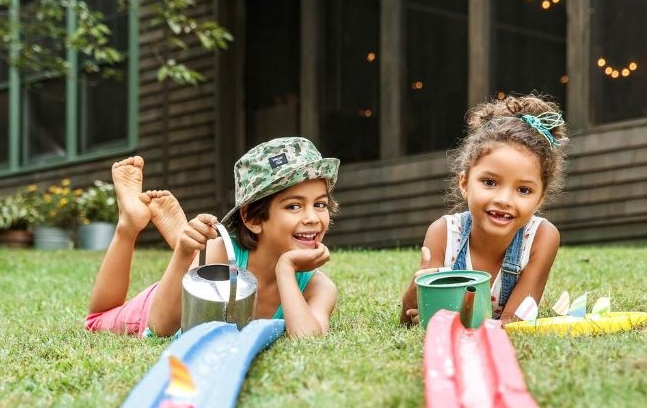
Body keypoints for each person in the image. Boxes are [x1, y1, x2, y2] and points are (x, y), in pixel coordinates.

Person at [85, 137, 340, 339]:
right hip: (163, 301)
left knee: (207, 260)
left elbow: (307, 338)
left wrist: (286, 268)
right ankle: (130, 225)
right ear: (252, 218)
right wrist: (183, 254)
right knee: (96, 320)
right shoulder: (222, 253)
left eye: (320, 204)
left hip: (203, 278)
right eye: (294, 206)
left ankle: (193, 250)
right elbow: (161, 327)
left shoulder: (320, 287)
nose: (313, 218)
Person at [400, 94, 568, 326]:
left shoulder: (541, 238)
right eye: (489, 183)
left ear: (540, 198)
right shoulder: (444, 233)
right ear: (465, 184)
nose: (504, 199)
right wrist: (418, 286)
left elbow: (515, 323)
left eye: (523, 190)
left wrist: (461, 322)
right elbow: (409, 321)